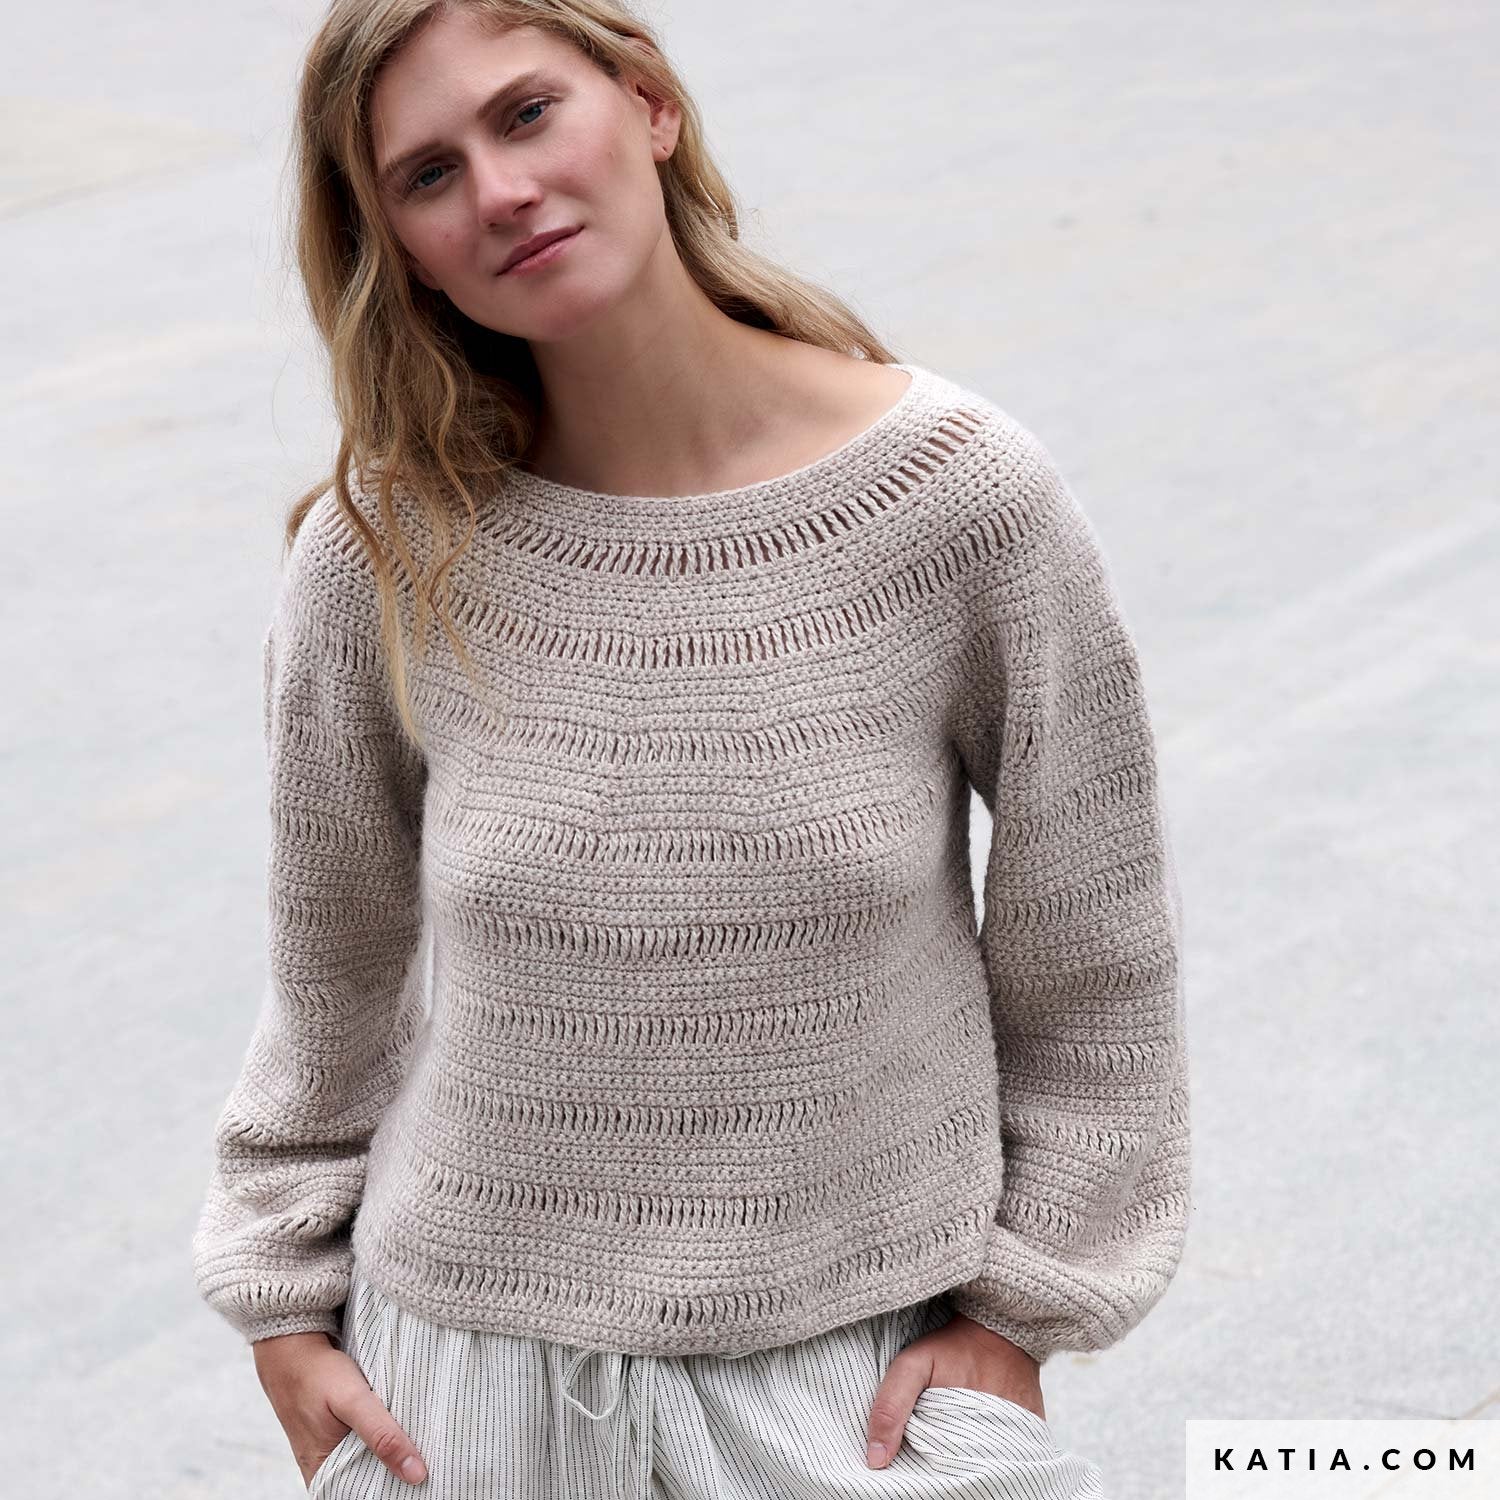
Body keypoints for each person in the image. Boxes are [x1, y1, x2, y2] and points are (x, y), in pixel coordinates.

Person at [190, 2, 1192, 1496]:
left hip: (853, 1394)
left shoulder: (958, 504)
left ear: (650, 104)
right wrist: (279, 1297)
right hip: (462, 1401)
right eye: (428, 175)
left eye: (527, 113)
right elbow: (328, 975)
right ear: (398, 245)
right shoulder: (384, 555)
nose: (501, 191)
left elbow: (1094, 961)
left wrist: (1024, 1309)